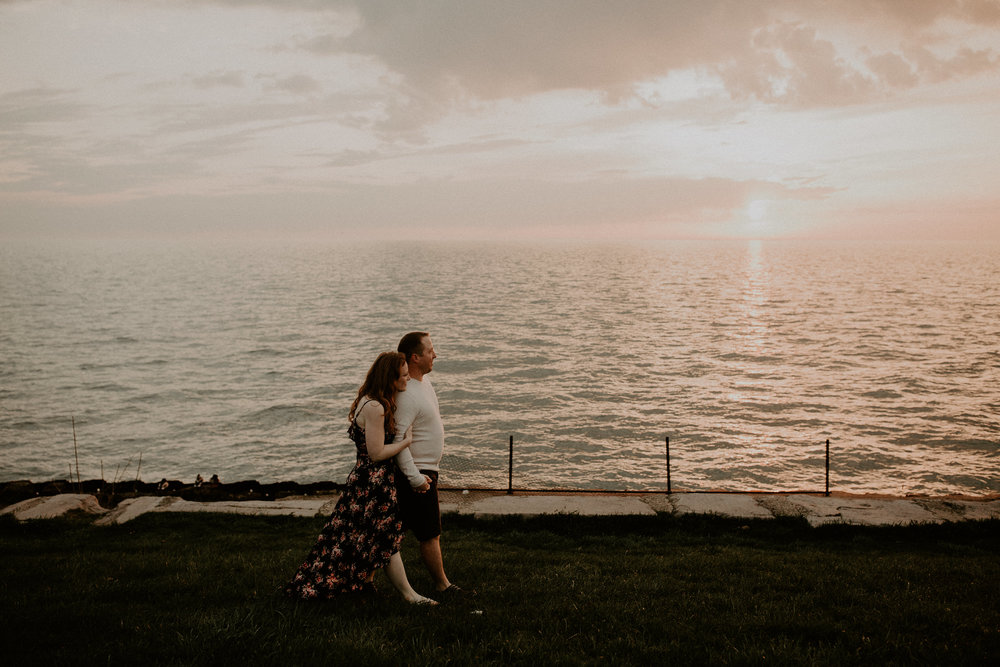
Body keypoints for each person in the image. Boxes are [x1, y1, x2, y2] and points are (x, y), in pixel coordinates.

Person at [284, 351, 436, 605]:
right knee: (385, 538)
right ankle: (410, 596)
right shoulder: (375, 407)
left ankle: (361, 584)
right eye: (403, 376)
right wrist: (405, 441)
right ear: (390, 378)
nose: (408, 380)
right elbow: (376, 454)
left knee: (355, 536)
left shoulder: (371, 400)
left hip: (367, 481)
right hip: (372, 482)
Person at [393, 332, 468, 600]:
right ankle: (442, 585)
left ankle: (365, 579)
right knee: (429, 533)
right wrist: (415, 478)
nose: (435, 355)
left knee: (393, 530)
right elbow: (398, 441)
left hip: (425, 471)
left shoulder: (425, 384)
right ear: (415, 357)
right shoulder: (406, 395)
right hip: (416, 474)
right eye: (430, 351)